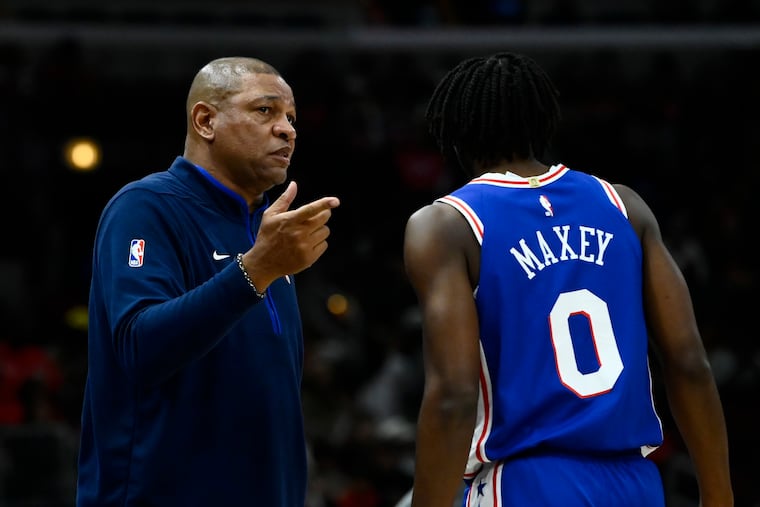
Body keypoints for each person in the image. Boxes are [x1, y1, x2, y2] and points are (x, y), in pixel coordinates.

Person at [402, 52, 733, 506]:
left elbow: (454, 396)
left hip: (526, 483)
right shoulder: (624, 206)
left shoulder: (445, 224)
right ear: (544, 124)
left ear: (454, 136)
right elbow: (690, 363)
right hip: (634, 484)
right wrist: (718, 495)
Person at [76, 56, 340, 506]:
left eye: (291, 118)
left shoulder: (268, 230)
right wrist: (254, 270)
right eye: (266, 110)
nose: (287, 129)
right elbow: (140, 347)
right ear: (205, 121)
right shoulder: (145, 207)